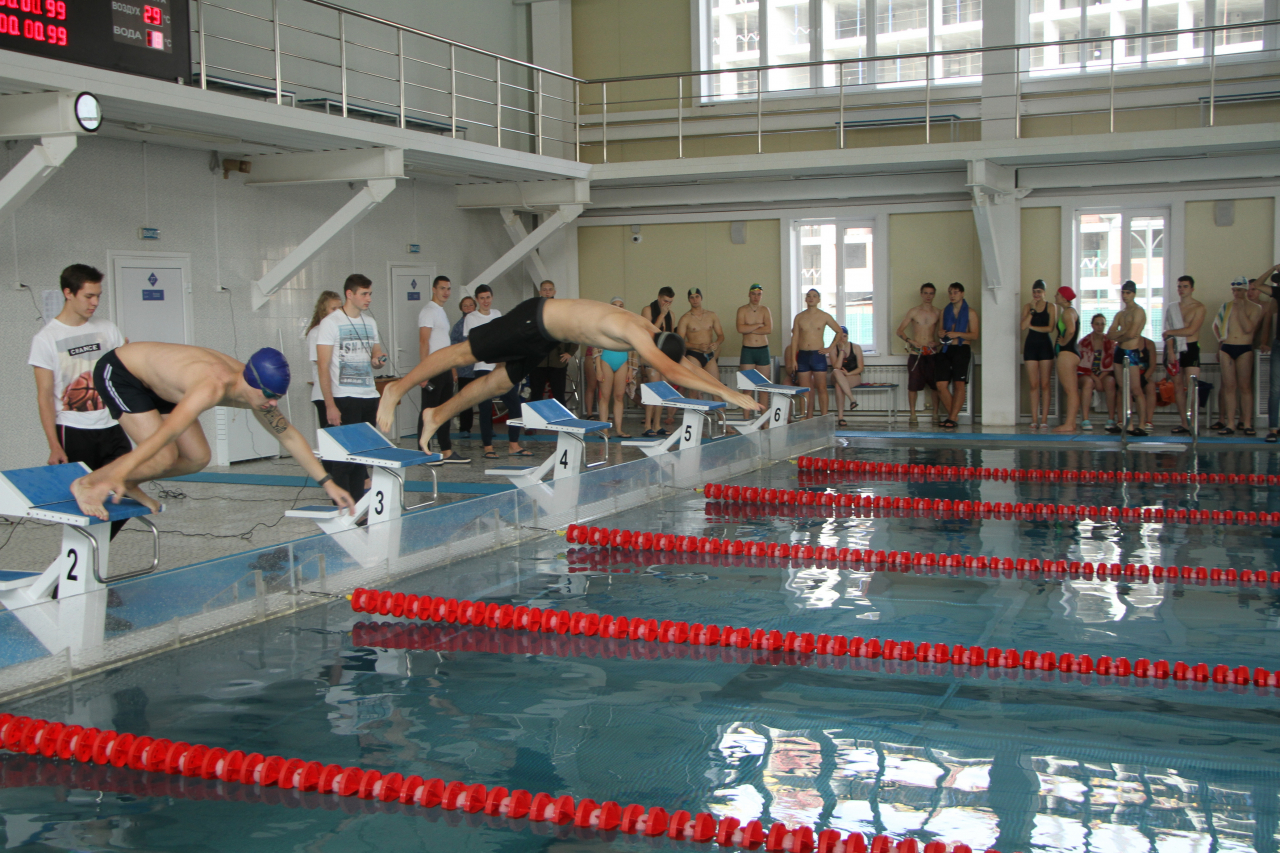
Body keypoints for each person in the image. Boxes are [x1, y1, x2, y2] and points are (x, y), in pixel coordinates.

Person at [376, 297, 760, 443]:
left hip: (545, 337)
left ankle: (437, 414)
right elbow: (675, 372)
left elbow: (688, 363)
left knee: (498, 382)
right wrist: (726, 393)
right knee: (464, 353)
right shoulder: (634, 331)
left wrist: (726, 390)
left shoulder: (656, 332)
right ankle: (398, 388)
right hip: (532, 319)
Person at [70, 344, 355, 520]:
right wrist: (117, 473)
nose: (272, 404)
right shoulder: (211, 387)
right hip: (122, 373)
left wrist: (327, 482)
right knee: (164, 455)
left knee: (197, 458)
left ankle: (131, 481)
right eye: (269, 396)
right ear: (252, 383)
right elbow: (165, 434)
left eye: (277, 397)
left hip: (162, 386)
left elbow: (289, 435)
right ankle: (87, 484)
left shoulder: (256, 389)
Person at [29, 264, 131, 536]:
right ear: (68, 293)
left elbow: (124, 372)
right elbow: (44, 397)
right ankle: (78, 569)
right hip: (74, 430)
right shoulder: (46, 339)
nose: (95, 302)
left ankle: (95, 553)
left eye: (98, 295)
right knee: (82, 508)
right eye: (88, 296)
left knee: (127, 489)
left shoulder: (107, 329)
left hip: (111, 425)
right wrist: (54, 446)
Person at [316, 274, 388, 502]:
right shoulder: (331, 323)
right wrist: (330, 404)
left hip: (369, 396)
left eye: (370, 294)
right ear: (350, 294)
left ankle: (356, 509)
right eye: (364, 294)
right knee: (342, 460)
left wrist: (377, 360)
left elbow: (375, 351)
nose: (368, 299)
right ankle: (342, 506)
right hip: (344, 397)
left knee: (361, 459)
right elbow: (323, 366)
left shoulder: (370, 322)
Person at [464, 285, 529, 460]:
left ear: (492, 298)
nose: (485, 301)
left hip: (500, 369)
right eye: (482, 298)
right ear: (477, 300)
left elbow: (502, 339)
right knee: (485, 409)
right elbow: (474, 343)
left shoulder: (497, 314)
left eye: (488, 297)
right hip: (482, 368)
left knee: (515, 405)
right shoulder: (471, 318)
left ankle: (514, 444)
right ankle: (488, 446)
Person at [417, 276, 468, 463]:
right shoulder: (428, 311)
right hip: (433, 367)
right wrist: (423, 371)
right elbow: (423, 341)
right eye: (442, 288)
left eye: (448, 288)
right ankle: (424, 451)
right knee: (428, 409)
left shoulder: (441, 311)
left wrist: (452, 368)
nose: (446, 292)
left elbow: (443, 342)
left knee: (445, 409)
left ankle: (446, 450)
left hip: (445, 366)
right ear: (434, 289)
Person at [1212, 277, 1262, 436]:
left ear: (1246, 290)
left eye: (1239, 290)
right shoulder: (1226, 307)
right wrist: (1220, 342)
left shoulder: (1255, 308)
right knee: (1229, 387)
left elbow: (1248, 328)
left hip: (1244, 347)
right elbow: (1216, 325)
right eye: (1234, 290)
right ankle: (1230, 423)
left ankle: (1247, 423)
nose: (1236, 293)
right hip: (1227, 348)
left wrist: (1240, 308)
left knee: (1245, 387)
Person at [305, 290, 343, 483]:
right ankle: (332, 481)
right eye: (333, 309)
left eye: (339, 308)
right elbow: (322, 366)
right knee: (331, 442)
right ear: (324, 311)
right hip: (323, 395)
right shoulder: (317, 333)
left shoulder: (338, 330)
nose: (337, 312)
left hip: (341, 393)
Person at [525, 280, 578, 419]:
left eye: (550, 289)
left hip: (558, 360)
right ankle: (533, 422)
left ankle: (563, 421)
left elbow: (572, 331)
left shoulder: (562, 309)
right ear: (540, 292)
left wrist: (570, 352)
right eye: (544, 289)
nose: (547, 292)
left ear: (554, 292)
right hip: (538, 360)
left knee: (559, 393)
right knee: (536, 393)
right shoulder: (533, 310)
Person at [788, 289, 843, 418]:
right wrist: (793, 359)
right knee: (804, 390)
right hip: (803, 355)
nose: (811, 298)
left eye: (814, 296)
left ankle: (824, 418)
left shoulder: (824, 316)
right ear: (805, 299)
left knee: (822, 388)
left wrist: (830, 348)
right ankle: (805, 418)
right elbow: (795, 338)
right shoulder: (799, 317)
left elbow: (839, 331)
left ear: (818, 300)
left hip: (818, 355)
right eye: (808, 296)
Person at [1160, 274, 1204, 435]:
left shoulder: (1199, 307)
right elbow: (1167, 332)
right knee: (1178, 387)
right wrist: (1170, 350)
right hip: (1175, 349)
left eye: (1185, 286)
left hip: (1191, 348)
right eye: (1179, 286)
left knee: (1192, 386)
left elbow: (1191, 330)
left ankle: (1194, 422)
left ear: (1192, 289)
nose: (1181, 289)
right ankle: (1184, 423)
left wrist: (1170, 332)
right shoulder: (1172, 308)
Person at [934, 282, 979, 429]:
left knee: (959, 384)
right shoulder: (944, 312)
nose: (952, 295)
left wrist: (958, 334)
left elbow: (975, 335)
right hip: (946, 349)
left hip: (962, 348)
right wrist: (940, 334)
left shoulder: (970, 313)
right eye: (950, 292)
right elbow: (941, 332)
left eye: (955, 292)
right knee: (940, 385)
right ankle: (953, 415)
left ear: (962, 294)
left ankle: (952, 417)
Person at [1105, 280, 1147, 436]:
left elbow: (1131, 334)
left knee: (1136, 389)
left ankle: (1142, 425)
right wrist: (1124, 334)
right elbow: (1109, 334)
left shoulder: (1139, 311)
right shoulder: (1120, 314)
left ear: (1134, 294)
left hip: (1132, 353)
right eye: (1123, 292)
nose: (1125, 296)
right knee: (1123, 390)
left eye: (1128, 293)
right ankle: (1127, 424)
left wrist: (1120, 334)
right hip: (1119, 353)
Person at [895, 282, 940, 424]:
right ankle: (913, 414)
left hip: (932, 353)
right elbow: (899, 330)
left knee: (935, 385)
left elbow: (944, 333)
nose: (928, 296)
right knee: (913, 385)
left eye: (931, 293)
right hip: (917, 353)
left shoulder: (938, 312)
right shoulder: (914, 311)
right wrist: (910, 341)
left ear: (934, 295)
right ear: (921, 294)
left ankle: (935, 413)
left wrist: (938, 343)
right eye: (925, 293)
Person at [640, 287, 677, 436]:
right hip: (650, 353)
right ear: (658, 298)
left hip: (663, 355)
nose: (666, 304)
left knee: (662, 390)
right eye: (664, 301)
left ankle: (657, 424)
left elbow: (671, 336)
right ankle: (647, 425)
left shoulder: (671, 315)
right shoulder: (648, 310)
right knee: (654, 388)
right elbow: (650, 331)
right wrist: (661, 315)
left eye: (670, 302)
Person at [676, 288, 726, 400]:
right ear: (689, 300)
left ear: (701, 298)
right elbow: (679, 342)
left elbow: (721, 335)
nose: (695, 300)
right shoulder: (685, 318)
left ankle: (721, 418)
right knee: (694, 390)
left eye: (697, 296)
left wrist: (716, 343)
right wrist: (697, 346)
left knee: (717, 389)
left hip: (709, 355)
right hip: (693, 355)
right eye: (692, 297)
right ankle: (694, 417)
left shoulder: (712, 315)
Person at [1021, 280, 1057, 430]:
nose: (1036, 294)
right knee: (1033, 385)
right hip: (1030, 347)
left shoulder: (1051, 307)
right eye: (1034, 291)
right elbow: (1022, 326)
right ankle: (1034, 419)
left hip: (1045, 347)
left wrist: (1032, 327)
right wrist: (1032, 312)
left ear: (1044, 293)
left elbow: (1050, 329)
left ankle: (1044, 419)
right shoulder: (1028, 307)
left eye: (1039, 292)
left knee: (1045, 384)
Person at [597, 296, 633, 439]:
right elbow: (596, 345)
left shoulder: (629, 323)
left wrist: (631, 368)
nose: (618, 307)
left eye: (621, 305)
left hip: (622, 361)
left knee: (619, 396)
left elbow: (633, 347)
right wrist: (598, 368)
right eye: (615, 305)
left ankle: (619, 429)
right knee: (605, 396)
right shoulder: (602, 323)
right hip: (606, 359)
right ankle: (604, 429)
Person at [736, 283, 773, 415]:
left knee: (764, 387)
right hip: (748, 350)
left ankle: (764, 421)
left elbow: (768, 329)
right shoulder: (742, 310)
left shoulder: (765, 310)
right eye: (754, 294)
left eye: (759, 294)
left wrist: (749, 329)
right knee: (747, 388)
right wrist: (758, 325)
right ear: (749, 294)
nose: (756, 297)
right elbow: (740, 329)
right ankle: (746, 419)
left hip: (763, 350)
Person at [1077, 313, 1117, 430]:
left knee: (1110, 381)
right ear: (1092, 325)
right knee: (1088, 382)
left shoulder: (1110, 342)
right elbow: (1082, 365)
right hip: (1087, 373)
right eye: (1097, 324)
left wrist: (1100, 379)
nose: (1100, 327)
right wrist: (1095, 379)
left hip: (1104, 373)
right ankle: (1085, 419)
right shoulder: (1084, 342)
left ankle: (1111, 419)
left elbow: (1112, 365)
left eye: (1102, 324)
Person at [1052, 286, 1080, 434]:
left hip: (1067, 354)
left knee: (1070, 391)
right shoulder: (1069, 312)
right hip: (1071, 354)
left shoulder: (1068, 313)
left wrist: (1063, 343)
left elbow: (1070, 330)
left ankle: (1069, 424)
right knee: (1072, 390)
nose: (1055, 296)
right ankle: (1072, 423)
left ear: (1063, 297)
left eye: (1057, 294)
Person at [450, 295, 478, 436]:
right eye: (465, 306)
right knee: (465, 400)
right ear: (461, 308)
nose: (468, 308)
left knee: (484, 398)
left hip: (480, 367)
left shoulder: (482, 322)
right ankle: (465, 428)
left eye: (471, 305)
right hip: (464, 370)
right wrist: (454, 370)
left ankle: (488, 428)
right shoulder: (457, 327)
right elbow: (452, 350)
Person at [830, 326, 864, 427]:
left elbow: (860, 368)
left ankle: (840, 417)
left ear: (848, 336)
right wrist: (841, 351)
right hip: (837, 375)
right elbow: (836, 366)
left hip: (852, 375)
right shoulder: (833, 348)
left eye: (844, 336)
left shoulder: (856, 347)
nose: (842, 339)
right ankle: (852, 399)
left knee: (839, 386)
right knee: (836, 371)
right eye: (840, 336)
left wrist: (848, 374)